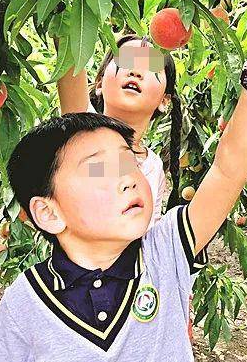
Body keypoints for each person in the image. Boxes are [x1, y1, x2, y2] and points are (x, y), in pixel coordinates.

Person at [0, 0, 247, 362]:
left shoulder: (162, 252)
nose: (125, 178)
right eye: (100, 170)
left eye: (128, 162)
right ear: (48, 212)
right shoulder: (24, 305)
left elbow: (228, 169)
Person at [56, 34, 181, 226]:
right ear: (99, 83)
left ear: (164, 101)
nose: (135, 72)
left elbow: (148, 236)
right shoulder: (82, 127)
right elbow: (67, 39)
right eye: (124, 60)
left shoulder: (153, 167)